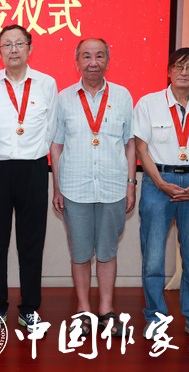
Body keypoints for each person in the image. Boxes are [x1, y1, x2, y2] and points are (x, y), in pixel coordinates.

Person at [50, 38, 135, 338]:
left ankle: (106, 310)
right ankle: (83, 309)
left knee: (108, 252)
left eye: (99, 56)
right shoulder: (63, 98)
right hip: (75, 187)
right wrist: (57, 187)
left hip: (113, 186)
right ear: (77, 62)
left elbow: (130, 143)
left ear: (107, 60)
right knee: (81, 252)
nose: (93, 62)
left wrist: (131, 184)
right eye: (86, 56)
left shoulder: (123, 96)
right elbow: (56, 145)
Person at [133, 47, 189, 343]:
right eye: (179, 66)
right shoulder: (149, 103)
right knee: (154, 258)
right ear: (169, 71)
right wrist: (160, 183)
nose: (184, 72)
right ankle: (155, 318)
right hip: (159, 184)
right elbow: (141, 149)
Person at [0, 25, 58, 332]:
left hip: (33, 169)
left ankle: (29, 308)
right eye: (7, 45)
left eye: (19, 44)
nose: (13, 50)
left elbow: (51, 129)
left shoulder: (46, 84)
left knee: (31, 244)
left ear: (30, 48)